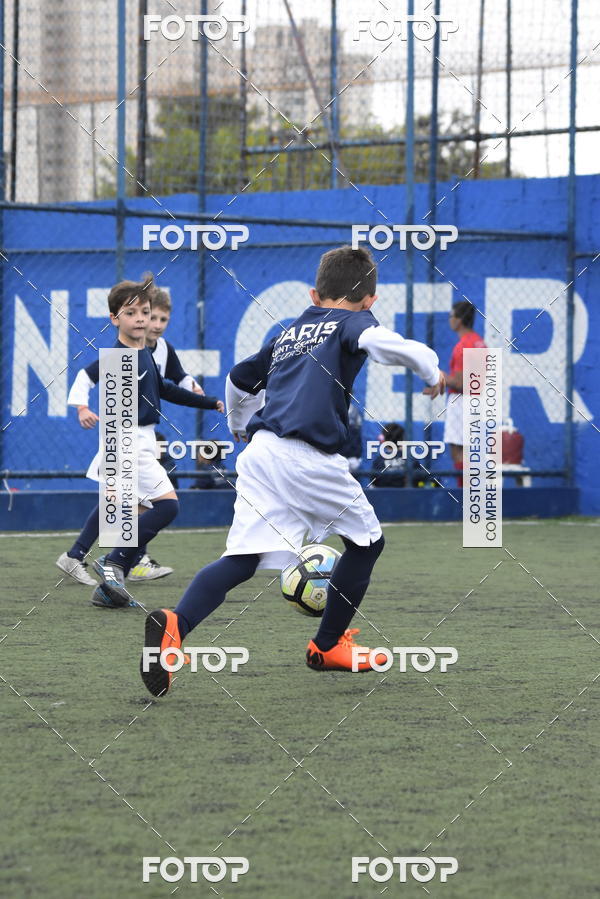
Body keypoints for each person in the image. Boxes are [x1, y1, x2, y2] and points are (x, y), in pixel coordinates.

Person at [139, 245, 445, 696]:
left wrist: (240, 426)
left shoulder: (289, 331)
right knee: (367, 542)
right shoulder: (354, 321)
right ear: (371, 300)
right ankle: (327, 646)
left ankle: (174, 627)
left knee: (241, 559)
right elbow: (382, 344)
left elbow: (240, 380)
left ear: (314, 293)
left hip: (261, 453)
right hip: (308, 457)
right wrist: (431, 370)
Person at [61, 275, 224, 608]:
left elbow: (165, 389)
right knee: (166, 506)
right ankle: (114, 562)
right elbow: (87, 378)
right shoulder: (120, 355)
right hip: (128, 442)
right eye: (131, 312)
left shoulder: (144, 352)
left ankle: (109, 581)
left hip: (141, 440)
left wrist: (209, 402)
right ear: (114, 319)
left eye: (145, 312)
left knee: (130, 512)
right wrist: (81, 406)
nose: (141, 319)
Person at [443, 300, 486, 486]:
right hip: (478, 400)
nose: (450, 320)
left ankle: (466, 494)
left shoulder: (462, 346)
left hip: (462, 401)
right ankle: (472, 493)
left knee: (458, 450)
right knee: (470, 450)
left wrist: (439, 377)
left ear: (459, 320)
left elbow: (462, 383)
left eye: (451, 316)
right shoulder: (479, 342)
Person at [372, 422, 407, 487]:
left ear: (384, 440)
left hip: (384, 495)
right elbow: (419, 478)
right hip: (409, 494)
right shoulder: (410, 459)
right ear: (402, 440)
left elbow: (374, 481)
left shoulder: (379, 461)